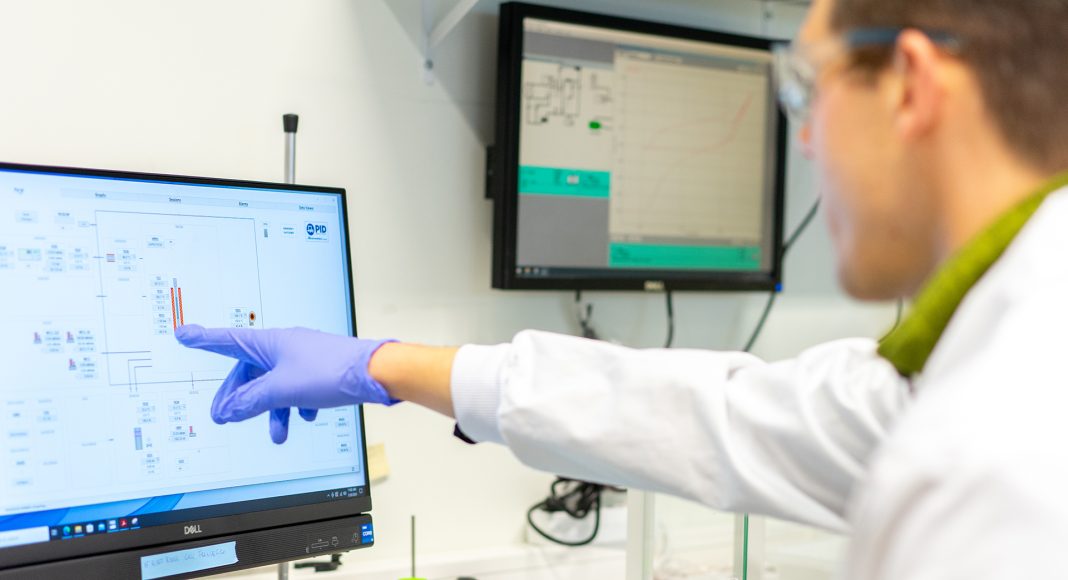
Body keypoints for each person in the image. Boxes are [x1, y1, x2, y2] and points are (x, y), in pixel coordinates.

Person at [176, 0, 1068, 576]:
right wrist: (383, 364)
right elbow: (724, 418)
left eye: (807, 92)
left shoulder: (1002, 449)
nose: (803, 143)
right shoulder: (995, 353)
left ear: (910, 86)